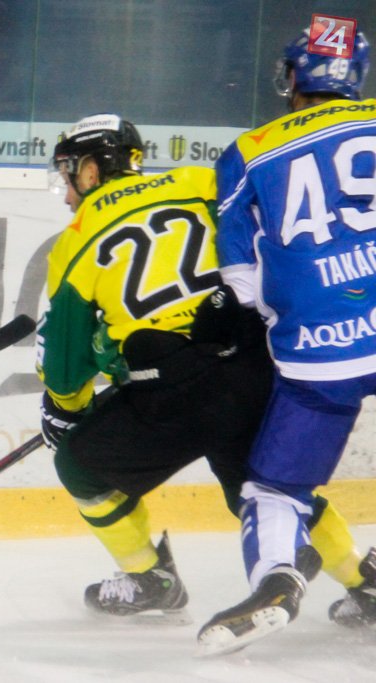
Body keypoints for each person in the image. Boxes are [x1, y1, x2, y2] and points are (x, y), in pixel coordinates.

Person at [37, 113, 365, 626]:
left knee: (79, 466)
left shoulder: (75, 238)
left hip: (172, 394)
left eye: (68, 172)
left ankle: (150, 579)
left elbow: (63, 364)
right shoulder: (198, 182)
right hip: (254, 365)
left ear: (92, 169)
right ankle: (365, 581)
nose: (66, 192)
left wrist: (65, 408)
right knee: (268, 488)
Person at [198, 26, 376, 655]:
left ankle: (277, 582)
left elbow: (242, 281)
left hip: (319, 348)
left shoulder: (247, 152)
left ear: (294, 77)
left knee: (275, 488)